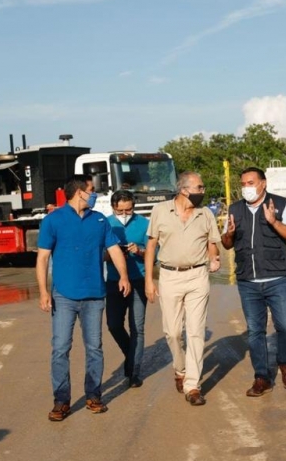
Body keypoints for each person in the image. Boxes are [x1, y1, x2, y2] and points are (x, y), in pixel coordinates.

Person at [36, 175, 131, 421]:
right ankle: (61, 400)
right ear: (79, 192)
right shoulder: (53, 220)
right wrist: (43, 291)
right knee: (60, 348)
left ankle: (93, 395)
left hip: (94, 295)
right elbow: (43, 258)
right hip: (64, 296)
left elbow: (113, 250)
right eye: (91, 190)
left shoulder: (99, 220)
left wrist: (123, 276)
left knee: (94, 348)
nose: (94, 194)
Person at [221, 167, 286, 397]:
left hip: (278, 278)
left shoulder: (282, 204)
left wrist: (274, 222)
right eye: (244, 183)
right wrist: (229, 234)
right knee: (255, 331)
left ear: (263, 183)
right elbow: (226, 243)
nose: (247, 187)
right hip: (248, 280)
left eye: (251, 182)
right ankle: (262, 377)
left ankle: (285, 364)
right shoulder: (235, 209)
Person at [145, 171, 221, 406]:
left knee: (196, 332)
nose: (203, 191)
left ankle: (192, 385)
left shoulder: (205, 213)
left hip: (198, 276)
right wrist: (149, 280)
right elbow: (151, 245)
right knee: (173, 332)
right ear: (184, 190)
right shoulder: (160, 211)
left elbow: (212, 242)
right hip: (169, 276)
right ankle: (180, 369)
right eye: (199, 187)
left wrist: (215, 258)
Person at [105, 190, 150, 388]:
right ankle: (129, 354)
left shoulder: (144, 224)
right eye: (120, 210)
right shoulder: (106, 223)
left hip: (138, 280)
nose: (124, 213)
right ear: (113, 208)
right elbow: (99, 254)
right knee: (114, 324)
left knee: (137, 327)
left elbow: (154, 254)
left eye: (129, 209)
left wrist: (139, 250)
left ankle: (134, 372)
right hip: (114, 281)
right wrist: (113, 253)